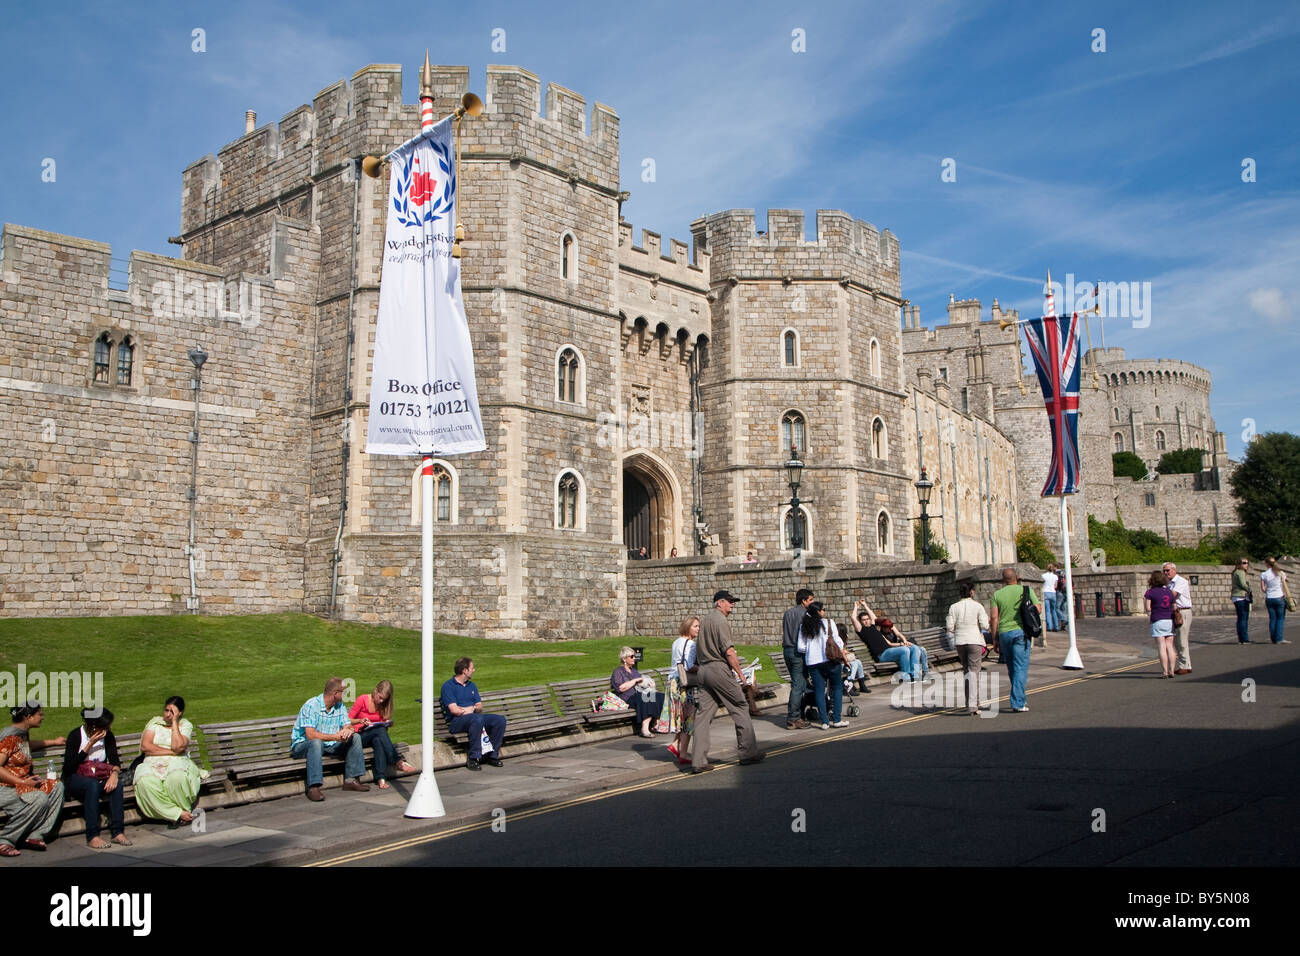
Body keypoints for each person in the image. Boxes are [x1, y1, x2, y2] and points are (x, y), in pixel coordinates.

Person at [691, 590, 764, 772]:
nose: (732, 604)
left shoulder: (705, 620)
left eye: (733, 602)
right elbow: (729, 651)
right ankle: (748, 753)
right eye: (729, 601)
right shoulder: (720, 621)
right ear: (719, 603)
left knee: (702, 716)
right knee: (740, 706)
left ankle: (698, 761)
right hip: (718, 669)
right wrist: (740, 675)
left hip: (703, 670)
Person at [0, 702, 66, 857]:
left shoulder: (21, 733)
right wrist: (22, 782)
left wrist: (53, 742)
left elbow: (25, 746)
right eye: (39, 714)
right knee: (39, 797)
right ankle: (5, 840)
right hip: (6, 788)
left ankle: (35, 835)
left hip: (23, 786)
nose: (42, 717)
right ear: (28, 717)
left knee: (57, 786)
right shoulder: (9, 737)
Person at [290, 677, 371, 801]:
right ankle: (314, 787)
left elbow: (348, 725)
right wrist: (335, 737)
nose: (345, 694)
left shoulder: (340, 706)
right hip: (303, 746)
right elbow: (310, 735)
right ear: (335, 693)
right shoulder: (311, 706)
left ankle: (351, 780)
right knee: (316, 743)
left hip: (329, 745)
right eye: (343, 692)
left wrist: (348, 731)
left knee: (355, 738)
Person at [61, 707, 129, 849]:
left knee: (117, 786)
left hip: (97, 777)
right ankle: (92, 835)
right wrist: (89, 744)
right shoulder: (76, 735)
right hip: (75, 779)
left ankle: (118, 832)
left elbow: (115, 761)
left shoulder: (108, 736)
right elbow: (68, 768)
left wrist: (114, 775)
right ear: (93, 726)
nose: (108, 729)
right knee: (91, 785)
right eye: (105, 726)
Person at [134, 696, 208, 825]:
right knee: (144, 782)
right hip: (152, 762)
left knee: (177, 778)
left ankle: (181, 810)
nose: (168, 714)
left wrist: (174, 722)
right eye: (166, 710)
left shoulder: (185, 725)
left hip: (178, 762)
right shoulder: (155, 723)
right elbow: (146, 746)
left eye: (172, 712)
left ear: (180, 713)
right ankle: (178, 813)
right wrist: (172, 752)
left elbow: (178, 746)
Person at [439, 658, 507, 770]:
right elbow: (454, 710)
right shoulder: (448, 686)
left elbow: (479, 706)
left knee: (499, 720)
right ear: (465, 670)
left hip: (475, 717)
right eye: (472, 668)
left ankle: (492, 755)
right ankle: (474, 757)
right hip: (457, 721)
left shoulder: (471, 685)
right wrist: (469, 709)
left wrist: (471, 708)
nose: (474, 670)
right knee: (476, 719)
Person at [989, 567, 1040, 713]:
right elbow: (1038, 608)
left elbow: (994, 618)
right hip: (1021, 633)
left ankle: (1019, 697)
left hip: (1004, 633)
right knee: (1021, 667)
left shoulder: (997, 594)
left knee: (1012, 668)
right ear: (1016, 578)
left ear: (1003, 580)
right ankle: (1018, 702)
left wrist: (995, 639)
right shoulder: (1026, 590)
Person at [349, 680, 417, 789]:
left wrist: (387, 724)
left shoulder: (383, 705)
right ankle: (397, 761)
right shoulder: (362, 699)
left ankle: (381, 778)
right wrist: (361, 721)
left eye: (384, 699)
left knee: (378, 739)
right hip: (359, 736)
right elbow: (348, 720)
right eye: (380, 697)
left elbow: (382, 730)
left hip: (374, 735)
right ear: (375, 691)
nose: (381, 701)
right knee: (379, 730)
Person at [798, 601, 847, 729]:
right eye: (823, 609)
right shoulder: (829, 623)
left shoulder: (804, 626)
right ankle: (837, 719)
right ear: (819, 611)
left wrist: (811, 648)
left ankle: (824, 722)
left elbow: (801, 647)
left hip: (813, 662)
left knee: (819, 691)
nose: (824, 611)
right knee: (837, 688)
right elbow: (838, 641)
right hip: (830, 660)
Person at [853, 602, 927, 683]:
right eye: (864, 620)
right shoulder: (861, 630)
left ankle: (915, 675)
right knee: (905, 650)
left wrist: (865, 605)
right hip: (881, 655)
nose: (866, 621)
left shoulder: (873, 626)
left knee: (914, 648)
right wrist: (856, 607)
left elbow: (873, 616)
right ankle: (906, 676)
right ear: (860, 621)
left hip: (889, 651)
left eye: (867, 619)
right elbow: (853, 618)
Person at [946, 581, 990, 715]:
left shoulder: (953, 607)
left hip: (960, 641)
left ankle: (971, 703)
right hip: (974, 640)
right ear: (971, 592)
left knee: (967, 671)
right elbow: (985, 625)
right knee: (974, 672)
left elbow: (949, 626)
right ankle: (973, 706)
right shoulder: (977, 606)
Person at [660, 616, 699, 764]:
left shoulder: (676, 642)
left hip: (673, 683)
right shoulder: (691, 644)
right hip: (684, 684)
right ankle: (683, 753)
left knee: (681, 718)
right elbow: (689, 666)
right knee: (688, 719)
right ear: (688, 627)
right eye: (695, 626)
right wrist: (703, 670)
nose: (698, 629)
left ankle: (676, 745)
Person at [611, 647, 666, 738]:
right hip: (628, 697)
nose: (634, 658)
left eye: (634, 656)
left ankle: (656, 723)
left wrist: (649, 683)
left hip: (639, 694)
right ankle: (644, 729)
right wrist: (635, 680)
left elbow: (642, 683)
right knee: (646, 698)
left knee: (660, 696)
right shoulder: (618, 672)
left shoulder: (634, 671)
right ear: (624, 659)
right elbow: (621, 688)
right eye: (632, 656)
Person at [782, 588, 815, 729]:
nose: (813, 602)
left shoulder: (788, 613)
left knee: (796, 683)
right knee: (798, 684)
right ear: (804, 600)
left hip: (787, 650)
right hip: (798, 652)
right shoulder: (806, 614)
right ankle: (794, 717)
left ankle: (798, 713)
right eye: (811, 599)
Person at [1144, 569, 1177, 678]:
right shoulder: (1169, 591)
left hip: (1157, 620)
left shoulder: (1150, 592)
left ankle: (1165, 672)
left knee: (1161, 647)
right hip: (1169, 620)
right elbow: (1174, 607)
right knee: (1170, 647)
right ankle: (1172, 670)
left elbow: (1148, 608)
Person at [1163, 562, 1193, 674]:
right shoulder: (1168, 583)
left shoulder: (1181, 581)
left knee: (1181, 640)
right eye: (1164, 571)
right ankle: (1187, 664)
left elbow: (1171, 595)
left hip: (1182, 611)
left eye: (1168, 570)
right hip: (1175, 612)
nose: (1166, 573)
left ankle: (1184, 665)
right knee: (1178, 640)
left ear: (1174, 570)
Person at [1260, 557, 1291, 644]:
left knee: (1272, 618)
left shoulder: (1264, 574)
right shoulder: (1280, 573)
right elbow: (1287, 580)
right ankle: (1279, 638)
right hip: (1279, 597)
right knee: (1280, 618)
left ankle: (1273, 638)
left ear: (1266, 564)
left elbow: (1263, 589)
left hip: (1269, 598)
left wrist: (1269, 589)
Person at [1231, 557, 1253, 644]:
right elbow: (1243, 584)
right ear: (1239, 564)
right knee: (1243, 618)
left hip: (1237, 597)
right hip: (1241, 597)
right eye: (1244, 563)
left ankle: (1241, 638)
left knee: (1241, 618)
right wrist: (1249, 589)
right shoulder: (1240, 572)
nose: (1246, 564)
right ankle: (1244, 639)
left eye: (1247, 563)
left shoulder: (1236, 572)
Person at [1041, 564, 1059, 633]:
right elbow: (1055, 586)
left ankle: (1049, 626)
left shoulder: (1043, 576)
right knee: (1053, 610)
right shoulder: (1055, 576)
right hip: (1053, 593)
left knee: (1047, 611)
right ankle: (1056, 626)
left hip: (1045, 592)